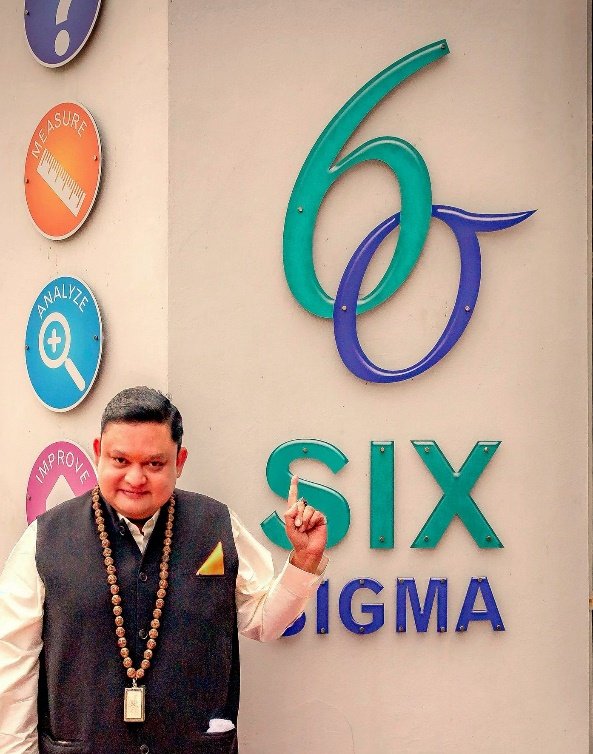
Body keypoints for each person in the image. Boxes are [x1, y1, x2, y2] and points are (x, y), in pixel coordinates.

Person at [0, 387, 327, 754]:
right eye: (120, 460)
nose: (135, 478)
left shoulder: (217, 524)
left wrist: (305, 558)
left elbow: (264, 623)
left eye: (154, 464)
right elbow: (12, 670)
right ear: (97, 453)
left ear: (179, 462)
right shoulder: (46, 538)